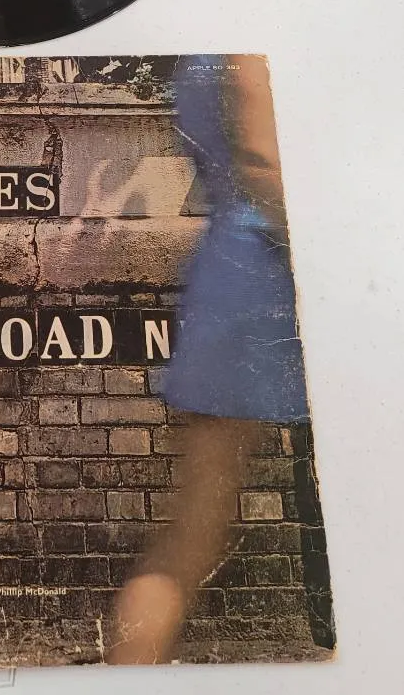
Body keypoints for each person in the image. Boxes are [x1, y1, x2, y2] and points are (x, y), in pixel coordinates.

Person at [109, 54, 310, 664]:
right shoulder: (248, 40)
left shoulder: (197, 54)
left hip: (230, 273)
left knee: (192, 534)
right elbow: (263, 159)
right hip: (270, 271)